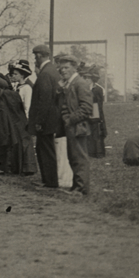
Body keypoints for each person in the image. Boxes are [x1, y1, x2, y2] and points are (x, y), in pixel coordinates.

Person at [55, 53, 93, 195]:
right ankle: (76, 186)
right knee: (73, 157)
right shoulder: (69, 84)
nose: (62, 70)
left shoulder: (80, 83)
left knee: (79, 158)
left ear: (74, 68)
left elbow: (87, 108)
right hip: (71, 127)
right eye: (61, 68)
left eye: (66, 68)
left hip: (78, 127)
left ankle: (81, 189)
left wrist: (70, 119)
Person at [28, 45, 62, 189]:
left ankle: (50, 181)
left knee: (45, 150)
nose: (34, 59)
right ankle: (48, 180)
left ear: (40, 56)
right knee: (45, 149)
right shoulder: (53, 71)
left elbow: (44, 100)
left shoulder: (45, 73)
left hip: (46, 120)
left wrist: (39, 121)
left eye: (35, 56)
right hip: (51, 118)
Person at [87, 67, 108, 158]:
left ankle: (98, 152)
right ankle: (90, 151)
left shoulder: (98, 89)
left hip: (95, 111)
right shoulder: (86, 88)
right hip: (88, 110)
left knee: (96, 131)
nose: (87, 80)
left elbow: (99, 104)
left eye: (88, 78)